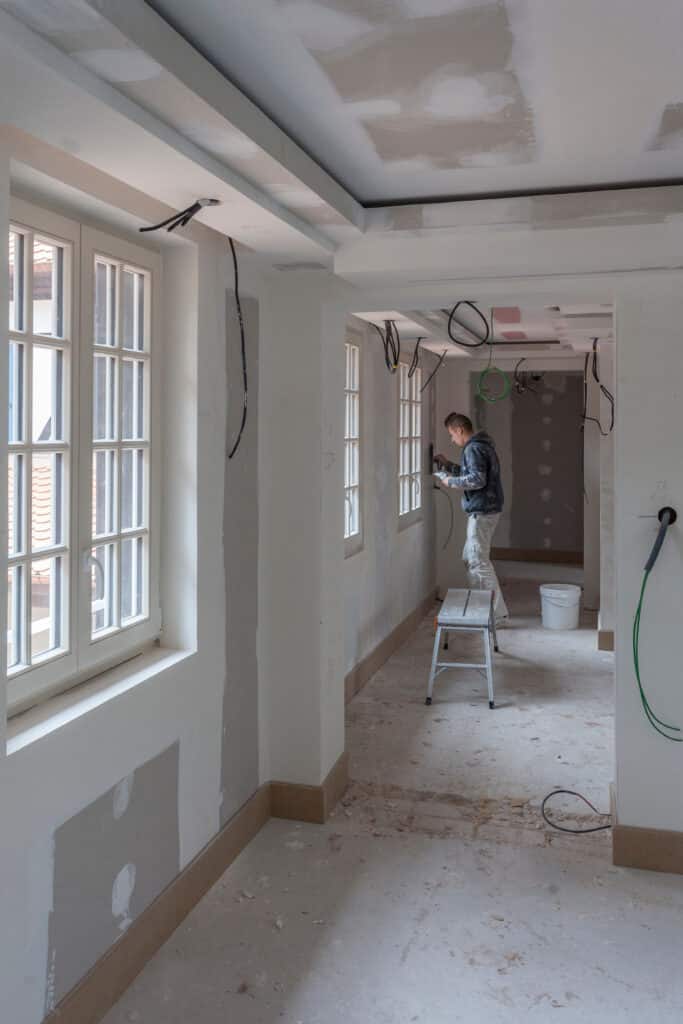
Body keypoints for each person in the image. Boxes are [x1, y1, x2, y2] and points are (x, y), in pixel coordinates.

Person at [434, 412, 509, 623]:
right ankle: (484, 606)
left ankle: (497, 615)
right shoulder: (481, 445)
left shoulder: (473, 448)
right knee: (470, 558)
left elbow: (477, 479)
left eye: (451, 434)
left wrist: (450, 482)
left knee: (478, 562)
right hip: (485, 509)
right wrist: (448, 465)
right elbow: (472, 471)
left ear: (459, 430)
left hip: (482, 512)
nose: (452, 439)